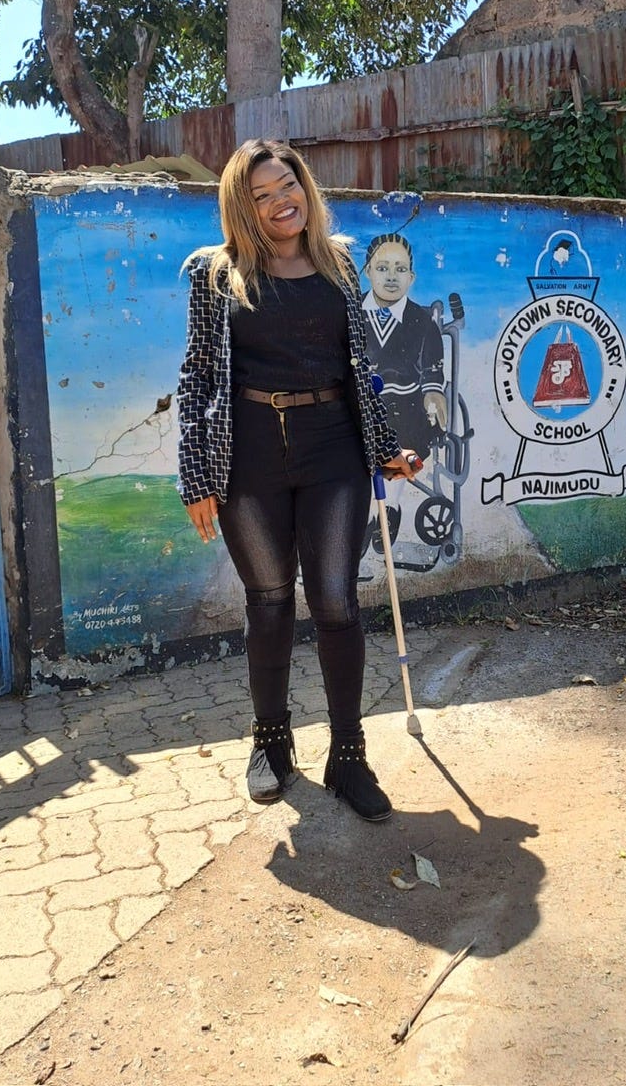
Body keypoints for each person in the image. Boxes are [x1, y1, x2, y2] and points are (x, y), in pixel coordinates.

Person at [176, 138, 422, 822]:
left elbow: (358, 372)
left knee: (337, 601)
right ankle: (272, 742)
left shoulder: (339, 264)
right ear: (241, 205)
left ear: (305, 189)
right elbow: (197, 376)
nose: (281, 200)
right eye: (262, 193)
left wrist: (387, 450)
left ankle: (348, 756)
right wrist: (196, 474)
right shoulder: (213, 273)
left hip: (332, 451)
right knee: (269, 599)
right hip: (248, 455)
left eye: (288, 185)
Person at [362, 233, 448, 460]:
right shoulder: (351, 312)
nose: (391, 277)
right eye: (382, 268)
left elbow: (432, 369)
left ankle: (396, 492)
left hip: (407, 413)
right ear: (368, 271)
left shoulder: (421, 320)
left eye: (400, 270)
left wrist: (432, 393)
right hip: (360, 413)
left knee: (405, 455)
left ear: (411, 277)